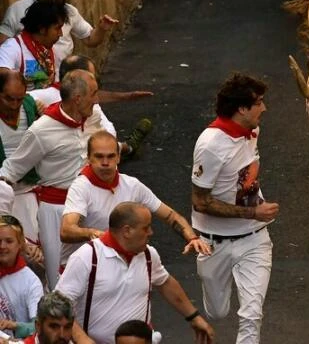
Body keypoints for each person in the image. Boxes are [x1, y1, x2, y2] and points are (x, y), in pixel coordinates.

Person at [191, 72, 278, 344]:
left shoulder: (252, 131)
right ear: (241, 109)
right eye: (259, 102)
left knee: (252, 314)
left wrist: (254, 216)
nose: (264, 108)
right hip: (213, 242)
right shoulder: (210, 145)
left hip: (254, 239)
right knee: (217, 312)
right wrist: (253, 211)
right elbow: (200, 202)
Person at [56, 202, 215, 344]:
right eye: (146, 228)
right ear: (127, 231)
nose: (151, 232)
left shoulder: (148, 255)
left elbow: (165, 283)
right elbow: (59, 304)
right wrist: (83, 340)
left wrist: (193, 317)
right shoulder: (87, 257)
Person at [0, 69, 98, 288]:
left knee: (97, 272)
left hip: (92, 204)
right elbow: (11, 170)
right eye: (93, 93)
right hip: (55, 209)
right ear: (78, 98)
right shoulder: (41, 130)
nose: (97, 99)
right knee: (59, 279)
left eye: (19, 98)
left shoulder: (94, 115)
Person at [60, 130, 210, 268]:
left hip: (117, 268)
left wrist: (192, 238)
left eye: (111, 156)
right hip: (82, 271)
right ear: (89, 159)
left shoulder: (132, 185)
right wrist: (93, 233)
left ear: (118, 157)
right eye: (99, 156)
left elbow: (171, 216)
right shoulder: (81, 187)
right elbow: (66, 230)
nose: (105, 163)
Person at [0, 0, 118, 65]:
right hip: (32, 83)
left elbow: (90, 40)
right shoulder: (17, 10)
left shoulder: (70, 11)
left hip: (62, 81)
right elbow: (3, 47)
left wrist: (101, 29)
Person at [0, 69, 41, 250]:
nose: (15, 105)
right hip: (1, 193)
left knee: (35, 248)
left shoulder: (30, 105)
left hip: (28, 189)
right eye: (9, 99)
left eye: (20, 99)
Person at [0, 0, 67, 91]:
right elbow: (2, 80)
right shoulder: (12, 48)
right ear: (42, 29)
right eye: (57, 28)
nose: (61, 34)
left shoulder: (51, 51)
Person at [0, 215, 43, 340]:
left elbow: (40, 327)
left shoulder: (31, 281)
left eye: (9, 241)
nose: (2, 246)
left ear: (20, 244)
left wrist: (14, 326)